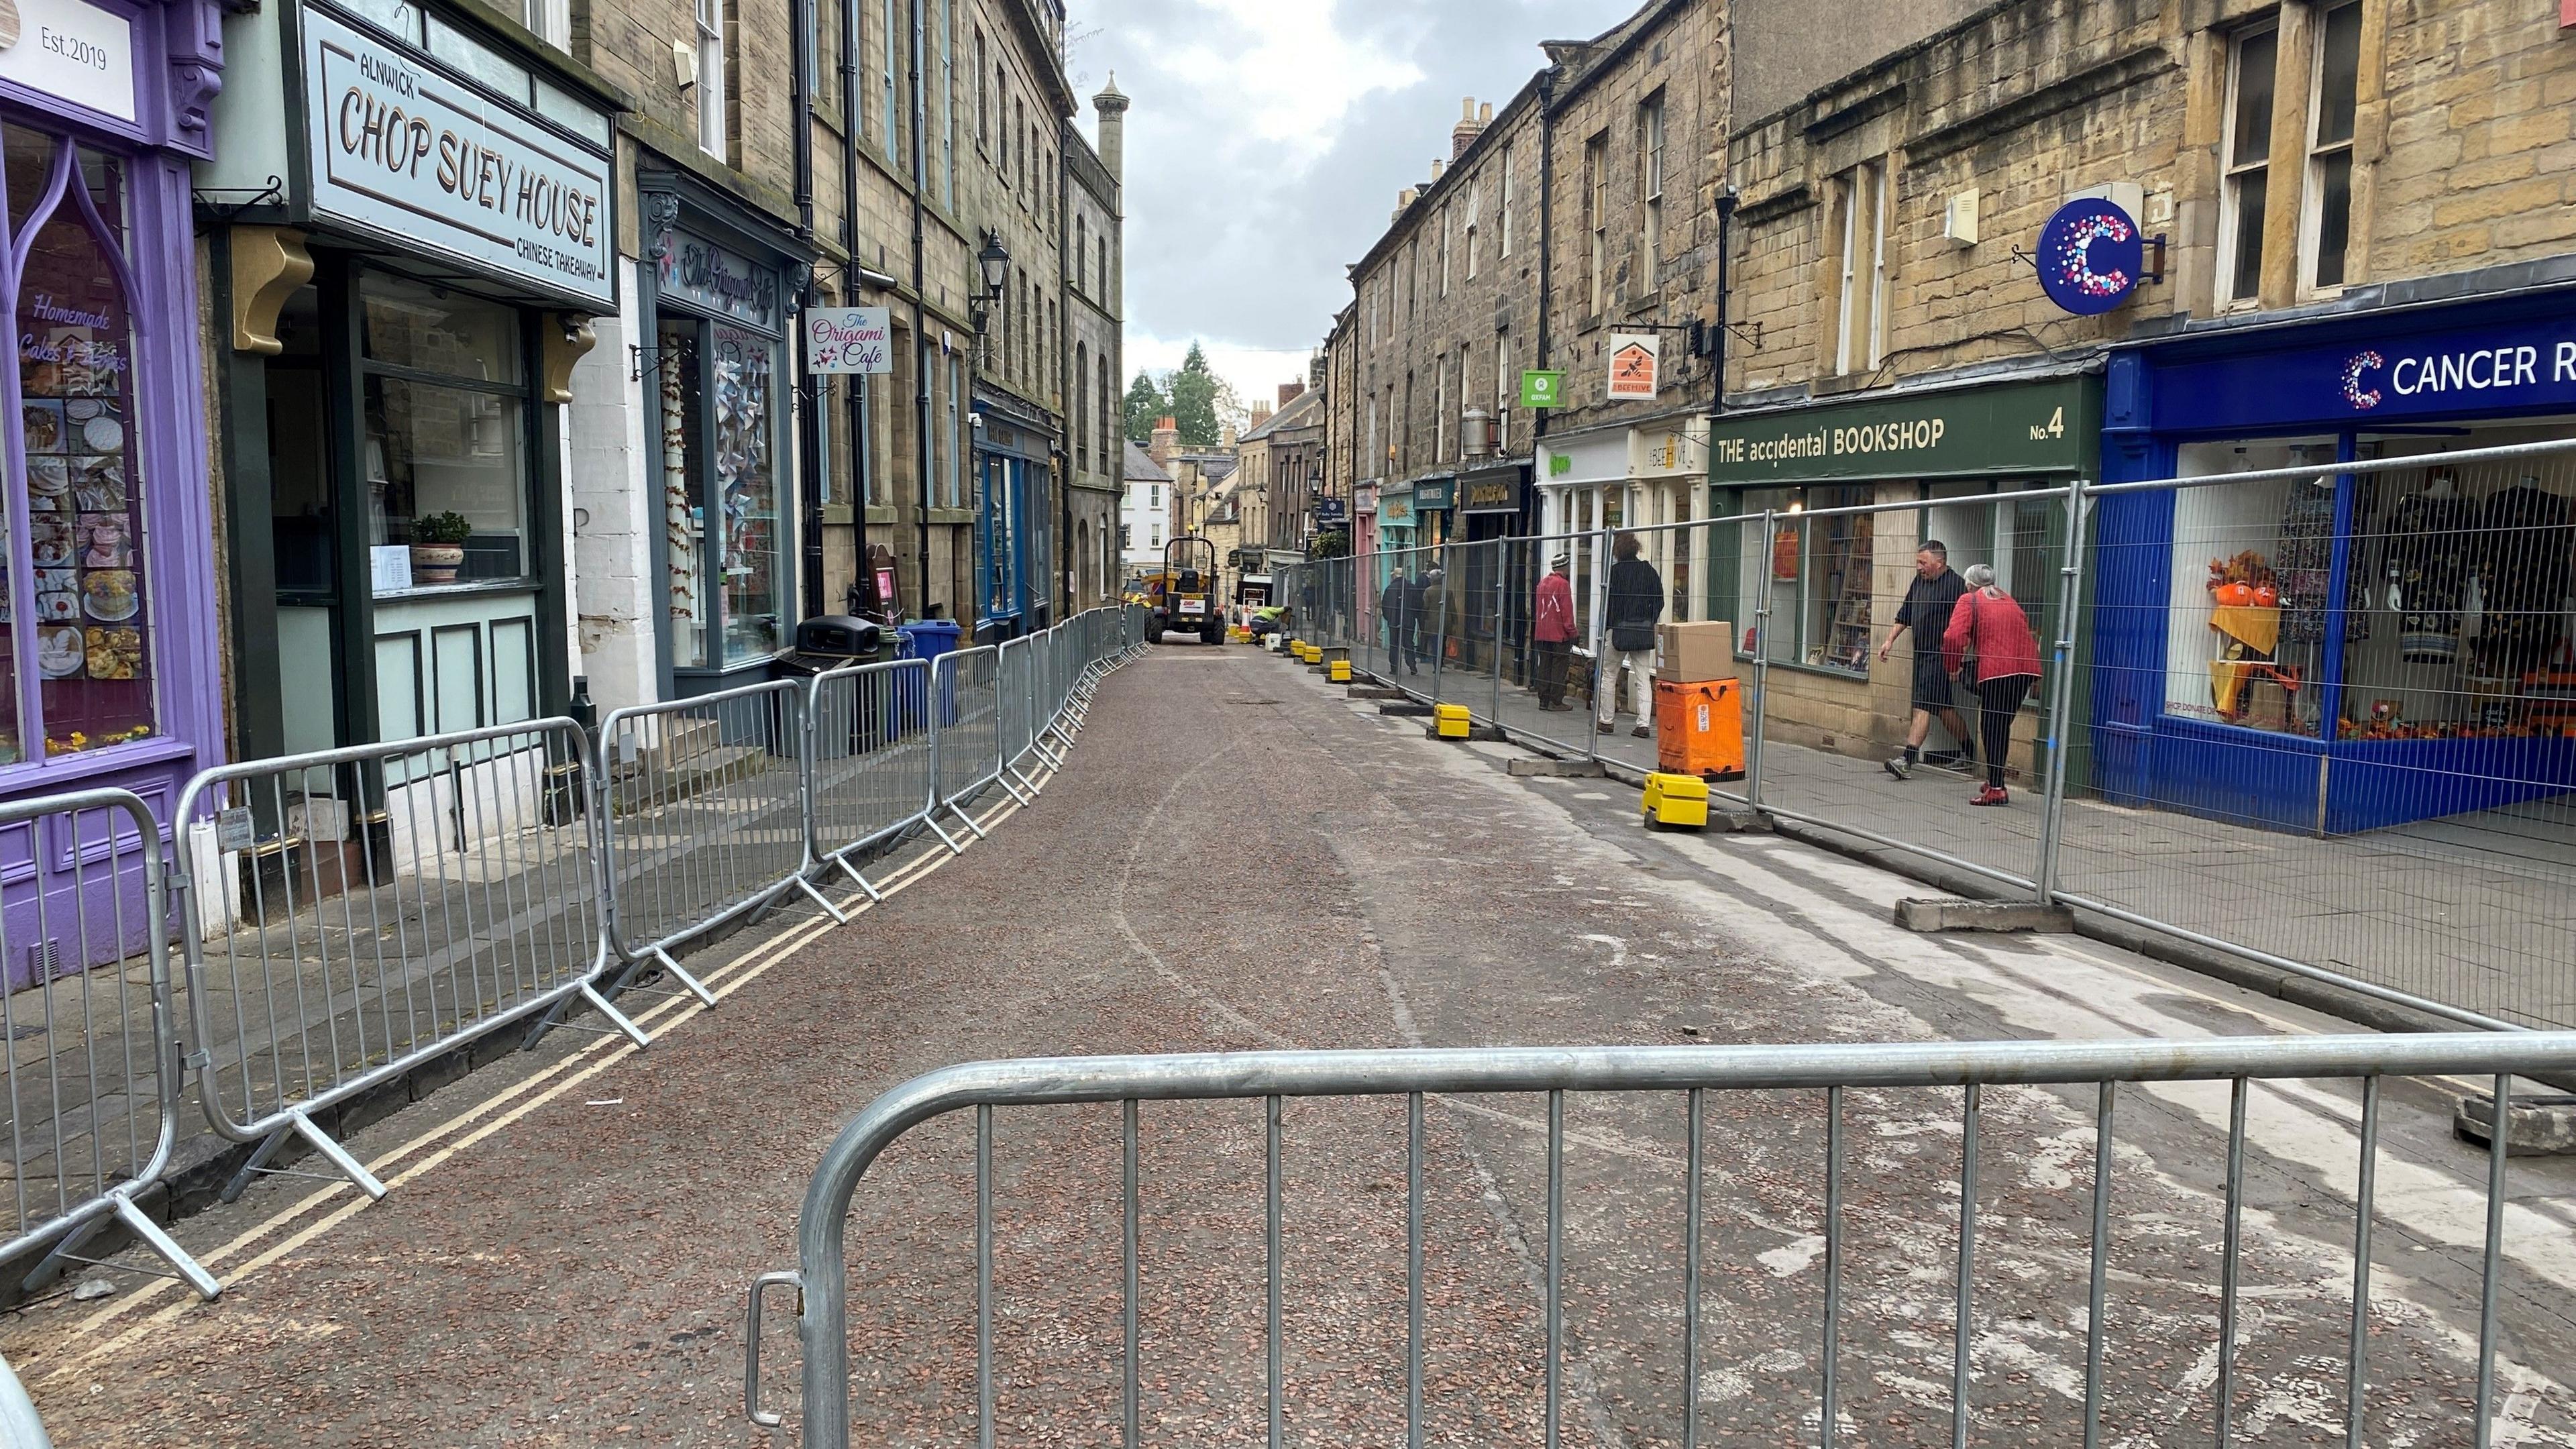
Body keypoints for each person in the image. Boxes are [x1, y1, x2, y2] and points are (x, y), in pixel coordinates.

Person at [1942, 563, 2042, 806]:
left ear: (1969, 584)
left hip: (1997, 671)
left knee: (1990, 727)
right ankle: (1995, 781)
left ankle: (1997, 789)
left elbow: (1952, 637)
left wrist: (1953, 666)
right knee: (2002, 725)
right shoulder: (2008, 599)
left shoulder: (1969, 600)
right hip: (2025, 670)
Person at [1877, 542, 1974, 780]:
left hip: (1941, 655)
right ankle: (1971, 752)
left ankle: (1907, 760)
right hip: (1922, 654)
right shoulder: (1919, 581)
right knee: (1943, 709)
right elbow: (1905, 613)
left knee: (1922, 705)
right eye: (1917, 562)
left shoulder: (1956, 586)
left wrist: (1957, 658)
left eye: (1923, 563)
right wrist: (1889, 641)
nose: (1918, 567)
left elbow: (1968, 626)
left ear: (1939, 563)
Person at [1599, 533, 1664, 738]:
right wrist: (1649, 619)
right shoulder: (1648, 571)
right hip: (1642, 631)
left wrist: (1609, 625)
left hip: (1618, 630)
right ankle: (1643, 725)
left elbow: (1607, 604)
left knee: (1609, 674)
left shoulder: (1614, 573)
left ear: (1618, 551)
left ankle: (1607, 721)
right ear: (1636, 549)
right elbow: (1660, 600)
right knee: (1644, 678)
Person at [1532, 553, 1576, 710]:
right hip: (1558, 635)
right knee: (1559, 667)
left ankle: (1543, 700)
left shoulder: (1542, 583)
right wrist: (1573, 632)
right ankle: (1555, 701)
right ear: (1564, 567)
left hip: (1542, 634)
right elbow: (1566, 612)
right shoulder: (1563, 585)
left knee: (1544, 665)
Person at [1380, 569, 1415, 673]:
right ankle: (1412, 666)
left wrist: (1389, 618)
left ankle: (1394, 668)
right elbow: (1417, 604)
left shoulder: (1390, 589)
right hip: (1409, 621)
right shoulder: (1412, 587)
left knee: (1394, 644)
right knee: (1409, 644)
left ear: (1394, 576)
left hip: (1394, 621)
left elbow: (1384, 606)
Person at [1413, 566, 1444, 674]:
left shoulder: (1428, 591)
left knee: (1433, 641)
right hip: (1444, 619)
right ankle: (1440, 662)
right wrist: (1454, 621)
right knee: (1442, 641)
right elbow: (1451, 607)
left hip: (1430, 620)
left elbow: (1425, 606)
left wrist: (1422, 617)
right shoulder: (1446, 591)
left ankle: (1435, 662)